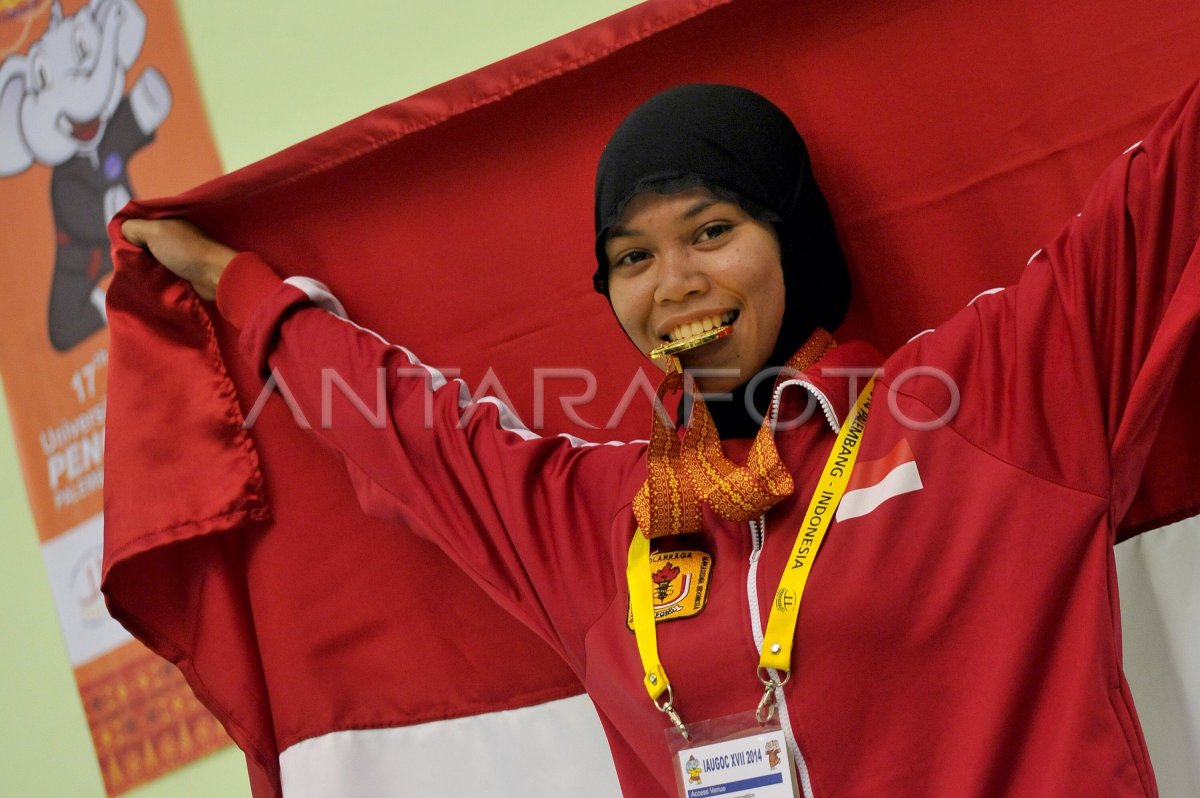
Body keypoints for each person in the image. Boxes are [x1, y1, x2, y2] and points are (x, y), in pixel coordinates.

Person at [120, 81, 1199, 797]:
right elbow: (413, 432)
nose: (674, 285)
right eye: (631, 257)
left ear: (797, 239)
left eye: (713, 232)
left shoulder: (985, 403)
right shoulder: (600, 521)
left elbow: (1164, 199)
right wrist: (233, 283)